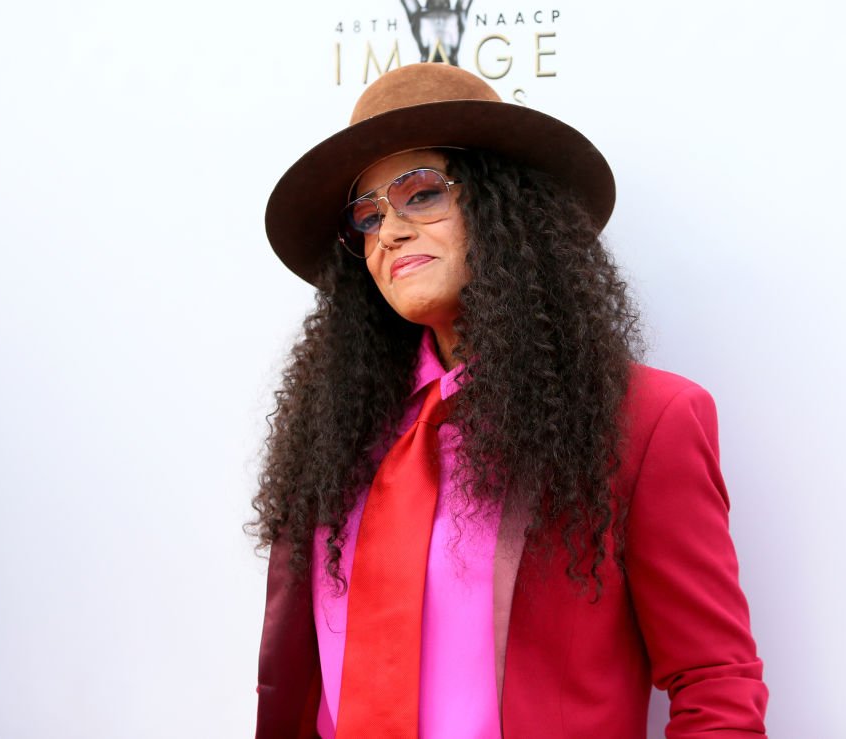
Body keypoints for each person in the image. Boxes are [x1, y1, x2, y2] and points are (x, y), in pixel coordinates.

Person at [251, 62, 769, 738]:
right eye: (368, 214)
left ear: (505, 207)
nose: (391, 231)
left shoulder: (644, 421)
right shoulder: (334, 437)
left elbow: (714, 682)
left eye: (420, 194)